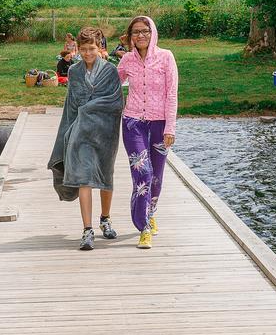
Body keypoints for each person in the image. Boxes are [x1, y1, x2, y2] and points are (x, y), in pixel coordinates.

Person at [48, 26, 125, 250]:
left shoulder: (110, 71)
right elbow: (71, 105)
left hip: (104, 132)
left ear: (100, 47)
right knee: (84, 178)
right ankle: (87, 229)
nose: (88, 53)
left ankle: (105, 218)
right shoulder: (74, 72)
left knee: (104, 177)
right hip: (80, 132)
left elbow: (115, 102)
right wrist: (67, 133)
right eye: (83, 49)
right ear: (78, 49)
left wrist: (89, 108)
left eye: (91, 48)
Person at [116, 16, 178, 249]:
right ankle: (144, 227)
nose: (141, 36)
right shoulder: (127, 60)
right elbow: (112, 83)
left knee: (156, 177)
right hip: (133, 124)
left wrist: (170, 127)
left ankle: (150, 211)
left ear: (153, 33)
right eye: (136, 32)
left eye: (145, 31)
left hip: (159, 124)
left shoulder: (166, 57)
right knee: (142, 174)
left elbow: (171, 94)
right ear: (130, 36)